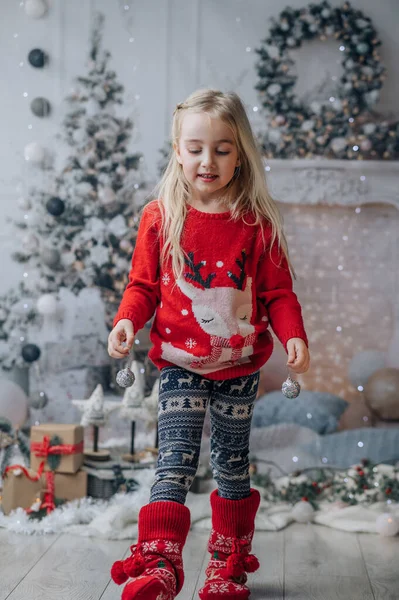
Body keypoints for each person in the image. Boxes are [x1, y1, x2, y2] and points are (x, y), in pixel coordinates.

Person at [108, 89, 310, 600]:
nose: (207, 160)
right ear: (177, 149)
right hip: (179, 363)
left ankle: (227, 564)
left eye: (222, 148)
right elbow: (143, 286)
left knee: (230, 464)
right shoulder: (161, 217)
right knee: (173, 458)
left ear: (240, 151)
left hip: (240, 367)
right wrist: (128, 320)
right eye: (195, 147)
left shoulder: (257, 222)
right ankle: (159, 563)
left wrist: (293, 336)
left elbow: (279, 293)